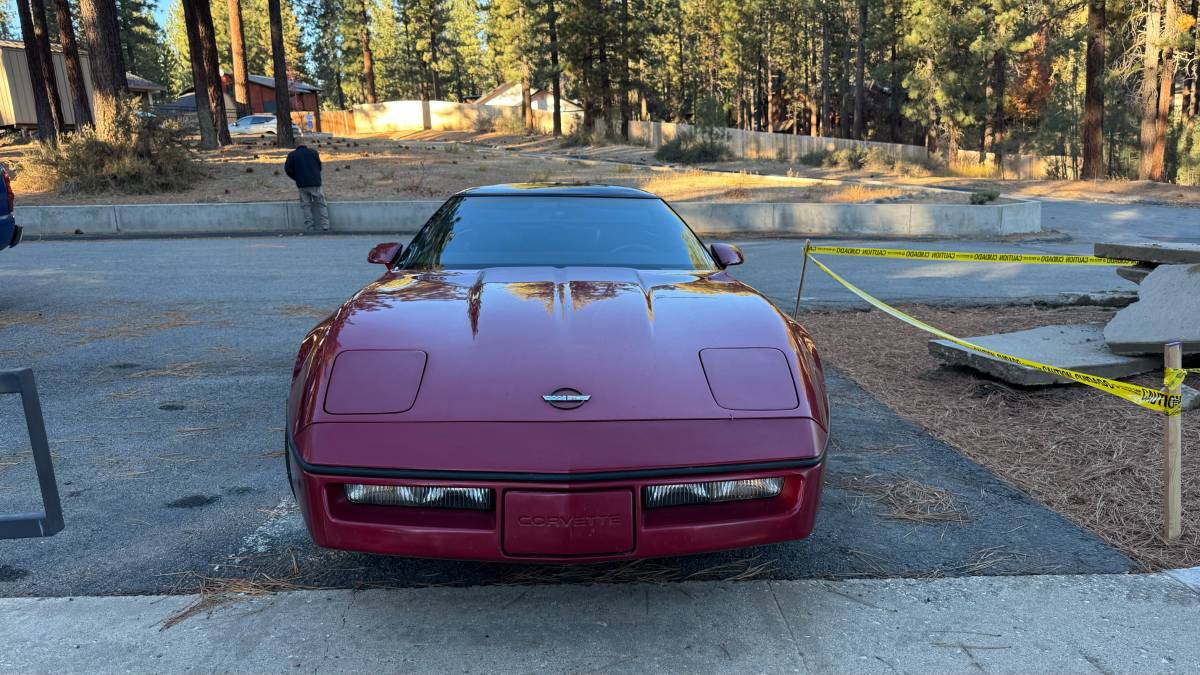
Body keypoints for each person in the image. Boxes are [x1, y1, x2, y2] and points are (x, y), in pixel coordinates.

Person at [284, 144, 330, 232]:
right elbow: (319, 166)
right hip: (315, 183)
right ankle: (325, 225)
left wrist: (296, 177)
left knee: (306, 206)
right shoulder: (313, 152)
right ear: (305, 145)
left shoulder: (292, 155)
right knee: (321, 204)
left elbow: (288, 169)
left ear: (296, 146)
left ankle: (310, 227)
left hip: (302, 185)